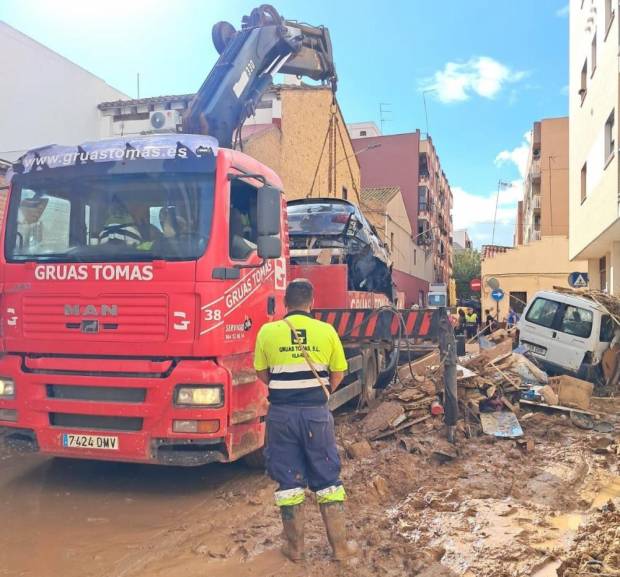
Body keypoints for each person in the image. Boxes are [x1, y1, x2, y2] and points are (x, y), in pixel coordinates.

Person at [253, 279, 356, 563]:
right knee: (327, 477)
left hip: (281, 415)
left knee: (288, 481)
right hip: (315, 414)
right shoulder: (326, 331)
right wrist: (320, 393)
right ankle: (340, 548)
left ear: (285, 303)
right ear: (312, 302)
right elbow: (338, 372)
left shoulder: (268, 332)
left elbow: (262, 373)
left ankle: (296, 549)